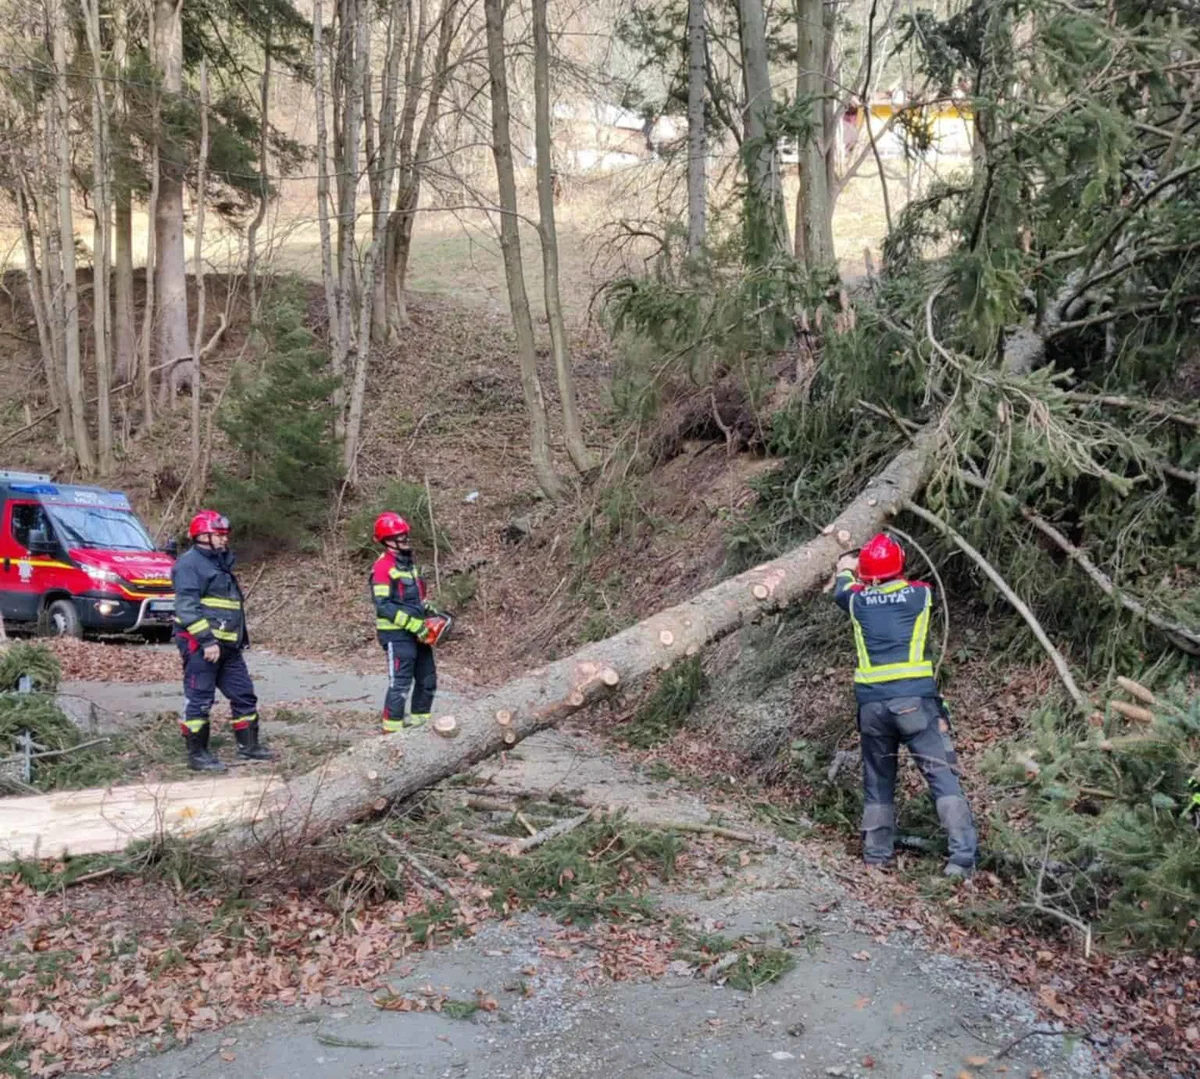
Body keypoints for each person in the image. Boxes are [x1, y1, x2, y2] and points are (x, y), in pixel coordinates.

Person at [832, 532, 977, 877]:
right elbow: (903, 585)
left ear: (867, 574)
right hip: (915, 705)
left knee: (878, 780)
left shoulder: (857, 601)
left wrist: (846, 568)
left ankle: (876, 855)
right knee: (942, 775)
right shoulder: (920, 594)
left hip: (872, 709)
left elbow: (843, 587)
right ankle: (962, 859)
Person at [171, 510, 271, 771]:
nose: (224, 540)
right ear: (202, 536)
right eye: (219, 535)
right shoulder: (189, 564)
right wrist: (206, 641)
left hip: (228, 646)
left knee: (244, 695)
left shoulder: (220, 562)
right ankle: (197, 755)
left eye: (225, 535)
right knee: (200, 699)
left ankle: (248, 746)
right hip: (202, 647)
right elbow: (187, 607)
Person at [370, 512, 437, 733]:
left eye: (405, 535)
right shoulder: (382, 567)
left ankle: (420, 729)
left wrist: (429, 611)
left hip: (418, 633)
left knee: (427, 681)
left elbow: (413, 598)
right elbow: (383, 605)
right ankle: (392, 735)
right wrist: (412, 624)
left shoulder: (407, 564)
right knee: (400, 685)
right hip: (397, 636)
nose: (405, 540)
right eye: (400, 537)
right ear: (387, 540)